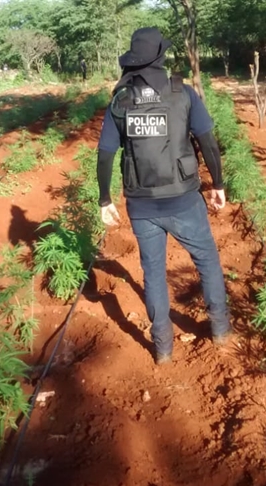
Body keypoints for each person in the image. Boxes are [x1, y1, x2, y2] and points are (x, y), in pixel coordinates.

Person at [95, 27, 231, 365]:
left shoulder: (120, 98)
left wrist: (104, 199)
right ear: (161, 56)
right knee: (207, 261)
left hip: (142, 205)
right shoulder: (182, 93)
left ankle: (163, 349)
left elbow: (105, 152)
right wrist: (218, 183)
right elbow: (207, 142)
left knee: (153, 272)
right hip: (184, 198)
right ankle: (220, 330)